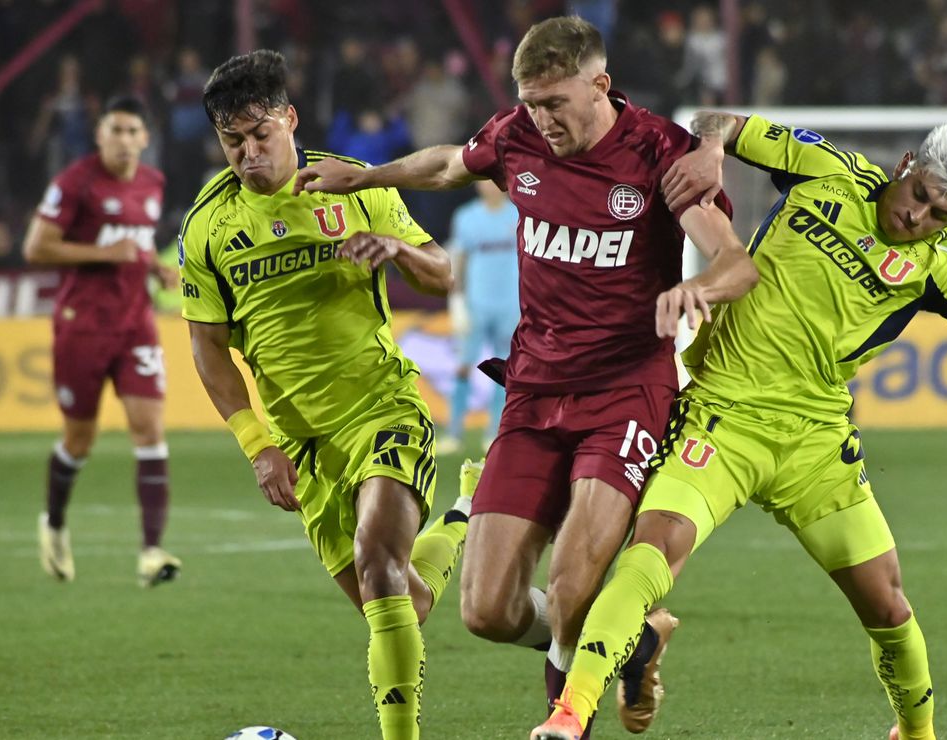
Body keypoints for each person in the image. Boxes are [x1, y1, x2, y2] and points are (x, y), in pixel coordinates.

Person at [531, 111, 947, 740]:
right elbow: (719, 121)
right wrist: (709, 148)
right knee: (650, 554)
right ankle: (570, 714)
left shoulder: (938, 271)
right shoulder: (824, 168)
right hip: (722, 418)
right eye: (920, 196)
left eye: (941, 217)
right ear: (905, 165)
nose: (918, 219)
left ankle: (915, 732)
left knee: (889, 606)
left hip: (816, 447)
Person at [293, 16, 759, 735]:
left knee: (572, 587)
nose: (542, 121)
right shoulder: (516, 135)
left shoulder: (658, 151)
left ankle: (562, 722)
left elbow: (735, 260)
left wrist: (702, 288)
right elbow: (451, 163)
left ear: (600, 85)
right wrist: (367, 175)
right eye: (532, 104)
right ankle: (631, 640)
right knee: (486, 609)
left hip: (626, 392)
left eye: (555, 104)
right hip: (535, 390)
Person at [181, 50, 472, 740]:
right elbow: (207, 347)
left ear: (290, 118)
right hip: (300, 441)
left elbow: (444, 273)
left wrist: (396, 250)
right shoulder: (208, 226)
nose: (249, 155)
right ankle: (470, 508)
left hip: (380, 408)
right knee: (406, 601)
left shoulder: (349, 183)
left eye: (260, 136)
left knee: (378, 566)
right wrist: (258, 446)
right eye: (232, 143)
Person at [24, 95, 180, 588]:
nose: (124, 140)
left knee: (150, 429)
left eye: (133, 131)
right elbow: (36, 247)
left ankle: (152, 552)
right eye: (115, 130)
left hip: (136, 322)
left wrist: (153, 263)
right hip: (82, 325)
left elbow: (133, 242)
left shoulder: (153, 184)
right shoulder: (75, 182)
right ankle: (53, 523)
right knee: (79, 439)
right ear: (100, 135)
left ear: (145, 138)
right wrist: (102, 252)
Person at [442, 179, 520, 454]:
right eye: (484, 180)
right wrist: (458, 301)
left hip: (511, 304)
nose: (490, 185)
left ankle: (494, 430)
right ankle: (454, 432)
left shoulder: (520, 213)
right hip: (477, 303)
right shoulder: (466, 217)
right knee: (463, 366)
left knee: (505, 369)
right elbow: (458, 259)